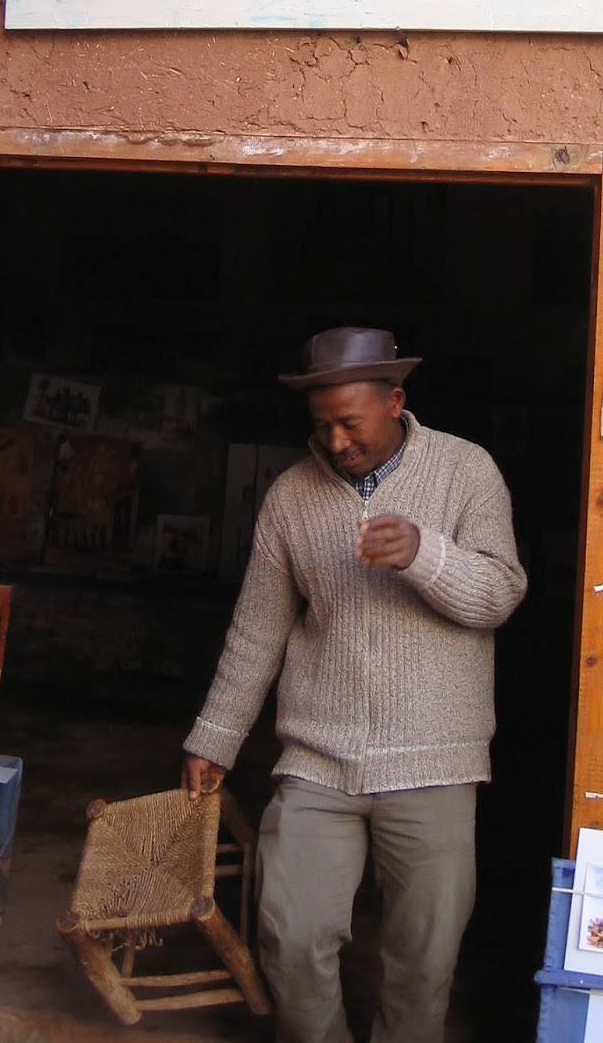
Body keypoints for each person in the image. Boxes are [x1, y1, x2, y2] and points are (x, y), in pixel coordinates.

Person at [181, 326, 527, 1043]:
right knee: (290, 937)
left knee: (423, 961)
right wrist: (214, 737)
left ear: (395, 401)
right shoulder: (291, 497)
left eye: (350, 423)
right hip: (318, 759)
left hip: (434, 762)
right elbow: (257, 631)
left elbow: (500, 594)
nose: (337, 442)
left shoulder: (466, 471)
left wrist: (425, 554)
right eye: (322, 426)